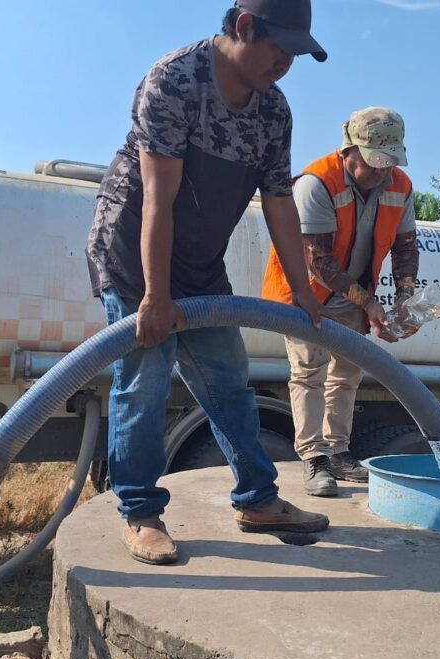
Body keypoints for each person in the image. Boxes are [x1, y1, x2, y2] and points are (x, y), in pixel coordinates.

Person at [86, 0, 330, 565]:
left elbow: (279, 206)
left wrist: (302, 290)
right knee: (145, 380)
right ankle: (141, 512)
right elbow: (157, 200)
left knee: (227, 376)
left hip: (199, 259)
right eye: (280, 49)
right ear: (245, 27)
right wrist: (153, 296)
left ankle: (258, 499)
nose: (286, 64)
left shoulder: (274, 112)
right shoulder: (175, 81)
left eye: (296, 54)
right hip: (134, 250)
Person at [262, 107, 421, 496]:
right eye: (375, 163)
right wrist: (369, 303)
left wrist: (405, 297)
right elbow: (318, 263)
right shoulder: (316, 183)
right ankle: (314, 459)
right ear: (349, 150)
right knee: (308, 373)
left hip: (352, 294)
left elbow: (406, 247)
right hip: (304, 294)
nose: (383, 171)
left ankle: (337, 453)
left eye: (390, 163)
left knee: (347, 375)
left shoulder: (400, 185)